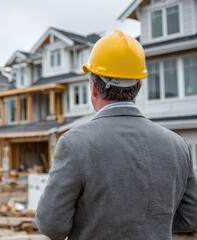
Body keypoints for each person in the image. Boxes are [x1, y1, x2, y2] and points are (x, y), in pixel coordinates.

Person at [36, 30, 197, 239]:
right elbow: (191, 217)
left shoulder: (74, 144)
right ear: (139, 85)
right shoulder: (178, 145)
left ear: (93, 88)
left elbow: (52, 226)